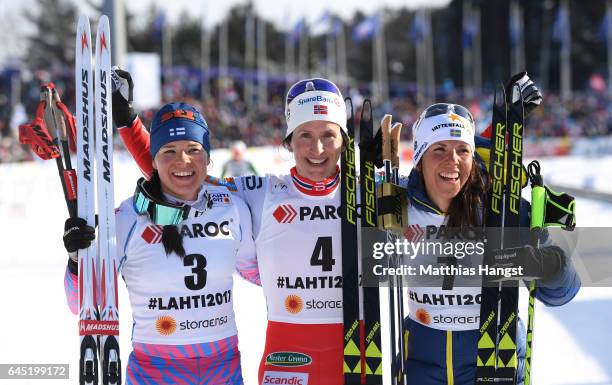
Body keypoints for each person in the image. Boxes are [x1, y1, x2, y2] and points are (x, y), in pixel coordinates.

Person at [112, 71, 350, 384]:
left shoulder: (370, 196)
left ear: (345, 141)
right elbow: (184, 177)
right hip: (287, 358)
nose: (317, 148)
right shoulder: (260, 192)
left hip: (354, 351)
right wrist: (129, 124)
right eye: (304, 134)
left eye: (329, 135)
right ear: (289, 142)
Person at [62, 102, 256, 385]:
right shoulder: (128, 219)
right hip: (156, 371)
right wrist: (78, 261)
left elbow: (258, 272)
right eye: (169, 152)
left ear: (209, 158)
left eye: (193, 150)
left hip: (223, 370)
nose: (183, 161)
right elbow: (79, 304)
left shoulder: (232, 208)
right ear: (152, 159)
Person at [397, 90, 580, 384]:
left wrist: (550, 265)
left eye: (462, 150)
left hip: (495, 361)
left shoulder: (505, 210)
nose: (452, 161)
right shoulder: (398, 202)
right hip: (421, 364)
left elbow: (564, 292)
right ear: (419, 158)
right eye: (439, 149)